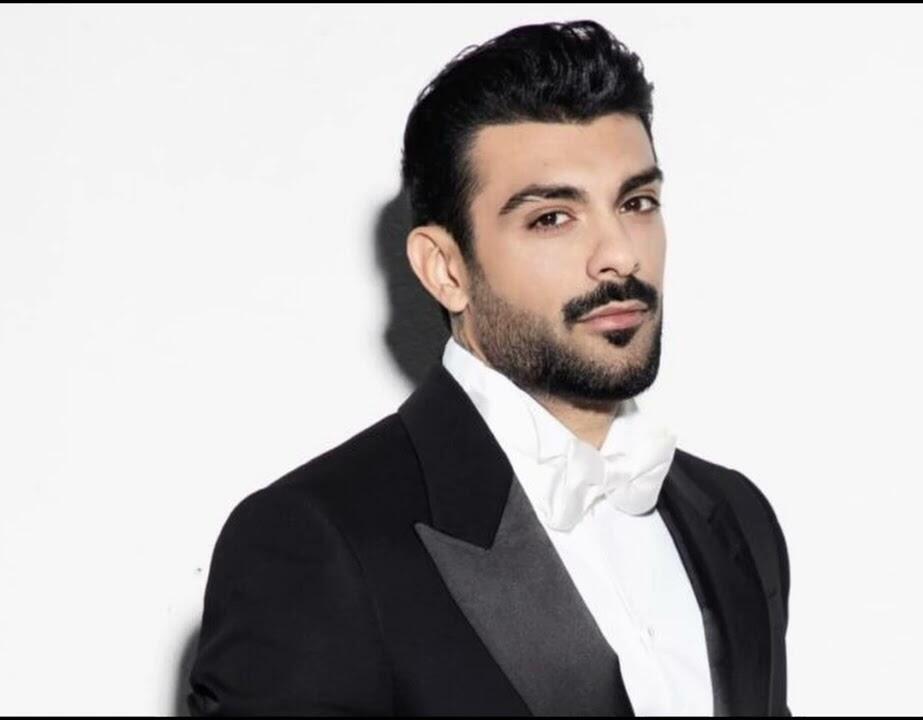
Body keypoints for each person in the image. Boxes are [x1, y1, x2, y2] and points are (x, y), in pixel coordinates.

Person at [186, 19, 790, 717]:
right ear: (446, 269)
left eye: (637, 203)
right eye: (552, 218)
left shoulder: (736, 519)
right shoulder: (317, 541)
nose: (620, 253)